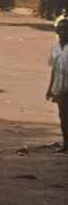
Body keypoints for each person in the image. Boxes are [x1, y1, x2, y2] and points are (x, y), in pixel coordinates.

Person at [45, 15, 68, 153]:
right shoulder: (55, 48)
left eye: (65, 29)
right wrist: (49, 89)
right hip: (59, 88)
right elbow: (54, 69)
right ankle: (66, 144)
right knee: (63, 117)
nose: (63, 32)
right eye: (60, 30)